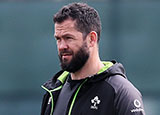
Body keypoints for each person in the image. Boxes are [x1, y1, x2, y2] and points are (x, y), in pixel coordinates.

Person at [41, 2, 145, 115]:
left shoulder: (121, 93)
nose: (62, 46)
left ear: (91, 39)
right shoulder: (54, 91)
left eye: (68, 38)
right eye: (58, 39)